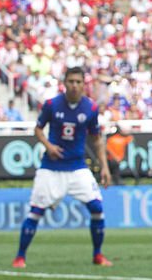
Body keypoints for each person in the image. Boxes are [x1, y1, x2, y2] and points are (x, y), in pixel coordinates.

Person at [13, 67, 112, 269]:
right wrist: (48, 146)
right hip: (51, 168)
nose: (74, 85)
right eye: (71, 81)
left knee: (97, 207)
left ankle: (98, 254)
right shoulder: (52, 104)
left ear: (83, 84)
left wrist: (104, 167)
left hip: (77, 167)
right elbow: (38, 129)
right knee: (36, 211)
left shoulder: (91, 109)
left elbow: (97, 140)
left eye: (78, 82)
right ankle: (20, 257)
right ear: (64, 83)